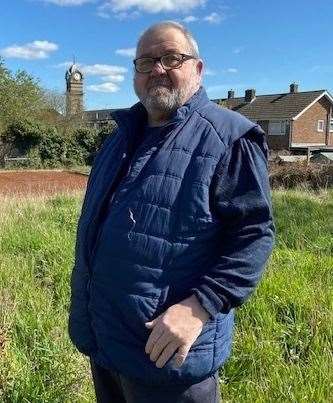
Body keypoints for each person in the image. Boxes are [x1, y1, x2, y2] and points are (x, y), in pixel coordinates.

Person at [68, 21, 275, 403]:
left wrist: (201, 306)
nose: (157, 69)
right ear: (135, 73)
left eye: (171, 58)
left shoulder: (228, 138)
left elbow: (254, 237)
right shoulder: (119, 137)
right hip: (105, 342)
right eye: (146, 62)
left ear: (197, 69)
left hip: (168, 361)